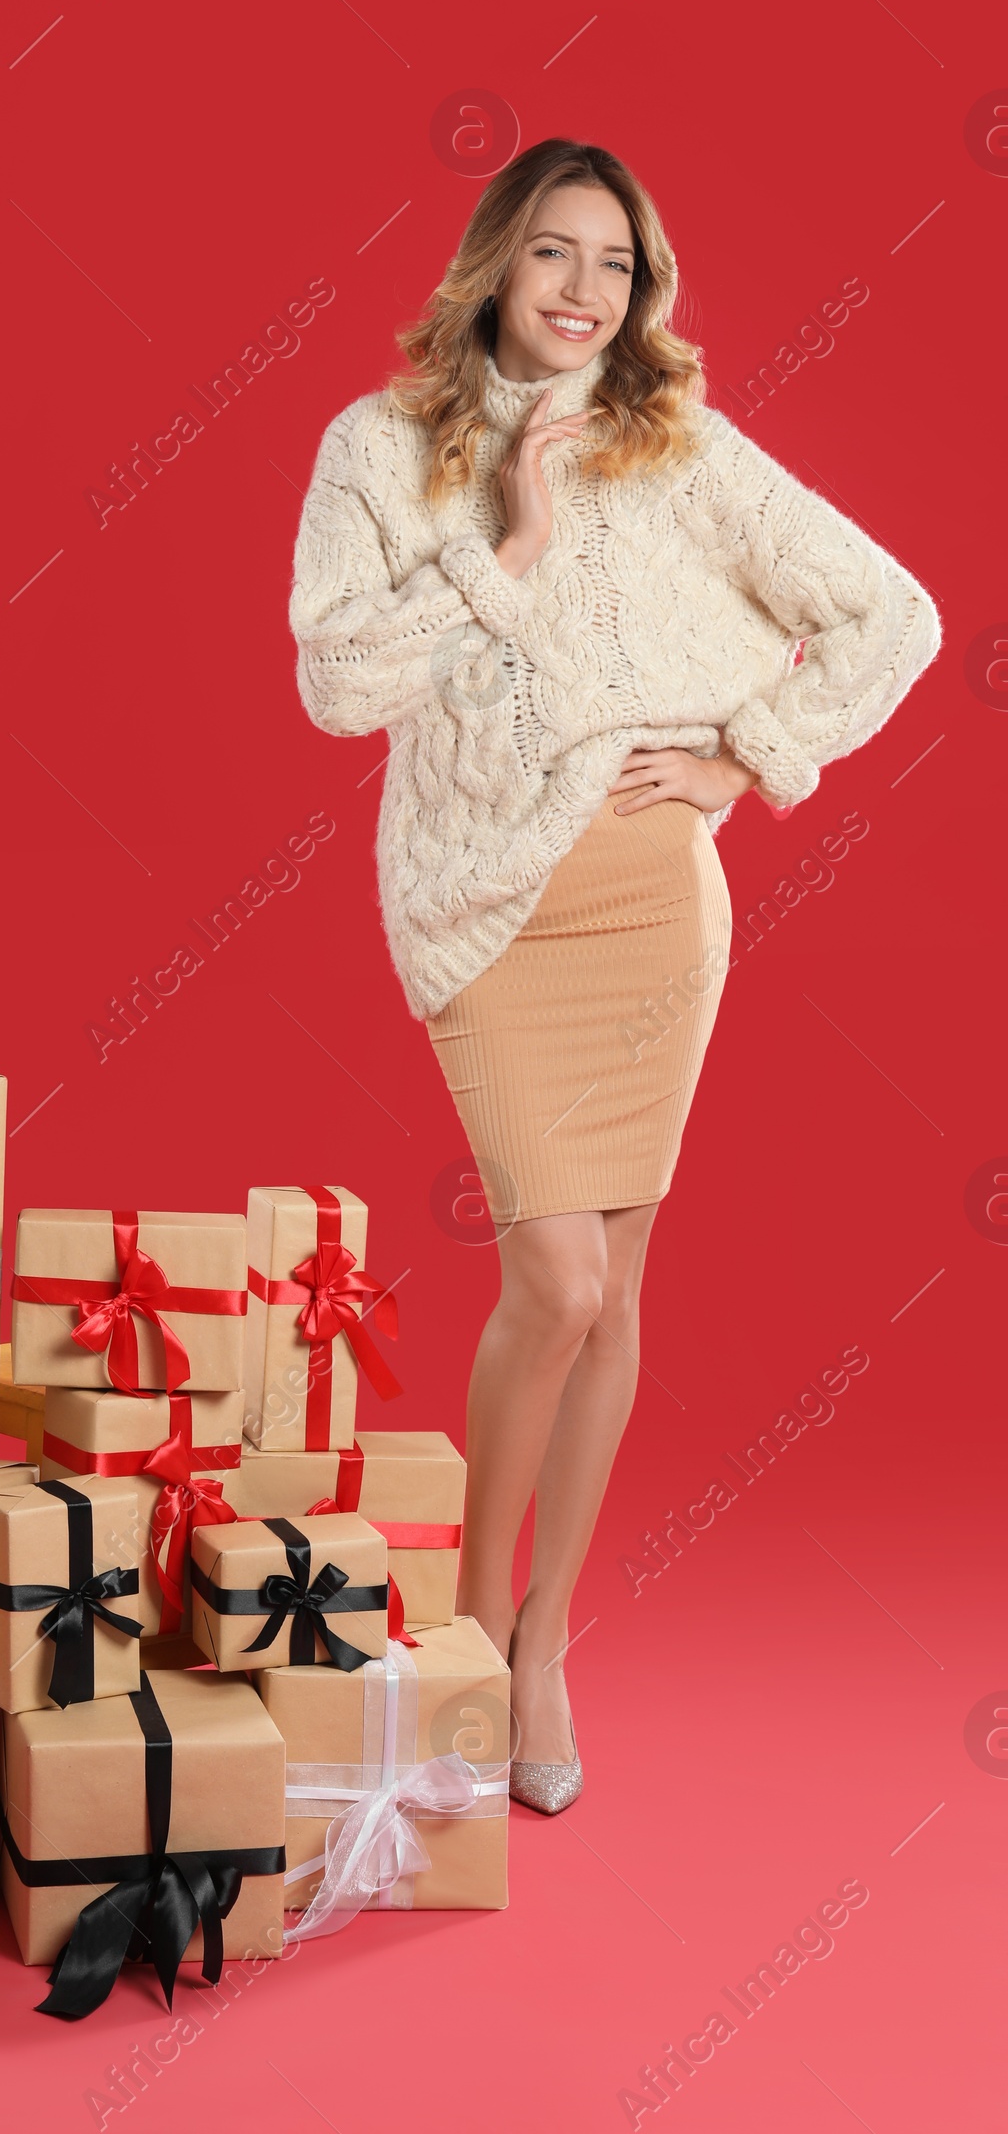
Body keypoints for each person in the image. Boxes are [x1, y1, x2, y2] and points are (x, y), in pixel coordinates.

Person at [289, 137, 941, 1811]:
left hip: (657, 902)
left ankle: (539, 1646)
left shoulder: (683, 447)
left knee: (619, 1292)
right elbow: (340, 685)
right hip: (485, 908)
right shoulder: (379, 449)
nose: (589, 294)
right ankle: (451, 1631)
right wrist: (507, 540)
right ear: (496, 263)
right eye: (558, 256)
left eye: (621, 266)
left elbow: (893, 614)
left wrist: (749, 755)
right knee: (555, 1287)